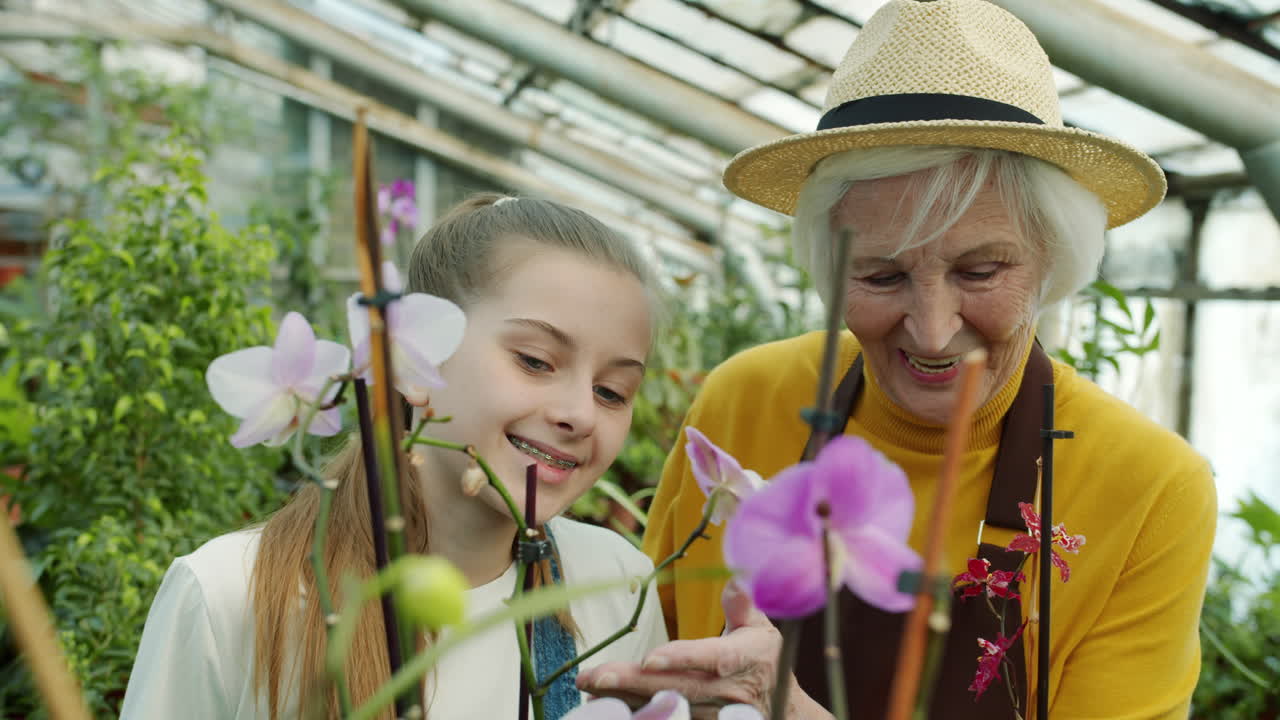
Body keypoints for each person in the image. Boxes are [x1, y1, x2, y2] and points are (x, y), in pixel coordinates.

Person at [576, 0, 1216, 718]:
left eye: (979, 273)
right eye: (882, 277)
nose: (935, 331)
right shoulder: (745, 401)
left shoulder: (1148, 489)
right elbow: (645, 659)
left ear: (1051, 262)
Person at [120, 193, 669, 719]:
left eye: (612, 392)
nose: (581, 413)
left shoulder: (616, 584)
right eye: (535, 360)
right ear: (407, 364)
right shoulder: (231, 598)